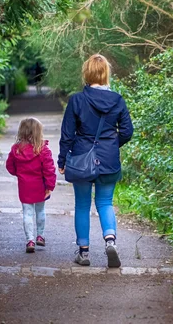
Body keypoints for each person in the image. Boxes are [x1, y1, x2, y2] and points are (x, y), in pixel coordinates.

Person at [58, 54, 133, 267]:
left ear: (87, 73)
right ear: (106, 74)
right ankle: (110, 241)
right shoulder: (117, 100)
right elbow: (127, 131)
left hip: (82, 159)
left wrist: (62, 160)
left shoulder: (77, 100)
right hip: (109, 161)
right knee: (105, 202)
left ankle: (83, 252)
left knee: (82, 204)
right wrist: (110, 146)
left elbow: (67, 134)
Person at [6, 117, 57, 253]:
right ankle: (40, 236)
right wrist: (50, 186)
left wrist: (20, 174)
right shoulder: (43, 150)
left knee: (27, 213)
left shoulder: (16, 150)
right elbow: (49, 170)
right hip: (40, 186)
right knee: (40, 211)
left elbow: (10, 166)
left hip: (24, 186)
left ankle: (30, 240)